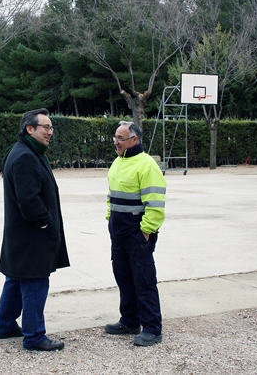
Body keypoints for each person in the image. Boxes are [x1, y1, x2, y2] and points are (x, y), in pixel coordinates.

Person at [0, 108, 70, 352]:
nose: (50, 132)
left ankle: (5, 326)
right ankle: (35, 336)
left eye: (51, 127)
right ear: (30, 129)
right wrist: (46, 223)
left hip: (21, 236)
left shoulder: (25, 151)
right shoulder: (26, 156)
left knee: (15, 279)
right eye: (45, 127)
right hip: (32, 236)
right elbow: (28, 200)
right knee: (35, 283)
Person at [104, 120, 166, 347]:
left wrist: (147, 231)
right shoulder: (118, 163)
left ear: (134, 140)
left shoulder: (147, 165)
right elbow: (112, 195)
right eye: (115, 137)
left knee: (144, 281)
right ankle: (130, 321)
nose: (116, 142)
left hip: (137, 235)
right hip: (119, 234)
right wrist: (109, 218)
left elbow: (156, 202)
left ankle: (152, 328)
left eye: (120, 138)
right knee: (124, 278)